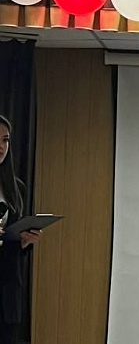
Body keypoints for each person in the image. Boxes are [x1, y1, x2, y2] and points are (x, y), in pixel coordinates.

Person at [0, 115, 41, 343]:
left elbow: (13, 243)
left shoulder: (16, 187)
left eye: (5, 140)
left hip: (7, 289)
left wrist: (25, 242)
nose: (1, 146)